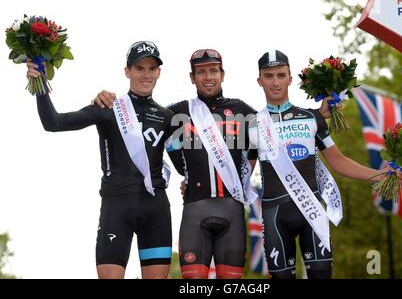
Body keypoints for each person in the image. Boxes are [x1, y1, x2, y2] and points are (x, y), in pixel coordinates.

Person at [93, 49, 333, 279]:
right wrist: (108, 100)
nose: (208, 77)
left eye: (213, 71)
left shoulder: (243, 111)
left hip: (233, 213)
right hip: (194, 213)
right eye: (201, 72)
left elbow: (280, 124)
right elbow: (142, 121)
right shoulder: (178, 113)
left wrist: (318, 115)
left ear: (222, 74)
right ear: (192, 77)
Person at [249, 50, 402, 279]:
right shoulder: (252, 125)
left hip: (312, 212)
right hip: (274, 216)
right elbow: (241, 174)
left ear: (290, 78)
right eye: (269, 76)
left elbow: (337, 161)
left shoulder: (312, 118)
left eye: (281, 75)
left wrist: (381, 175)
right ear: (259, 80)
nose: (275, 82)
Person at [26, 41, 173, 279]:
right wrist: (40, 82)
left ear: (158, 72)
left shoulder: (168, 117)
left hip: (155, 211)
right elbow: (53, 123)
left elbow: (186, 159)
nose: (146, 74)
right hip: (116, 208)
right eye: (139, 68)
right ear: (127, 71)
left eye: (152, 68)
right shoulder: (108, 106)